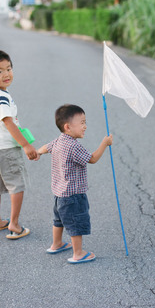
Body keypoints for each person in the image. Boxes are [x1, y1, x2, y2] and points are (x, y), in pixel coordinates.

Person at [38, 104, 113, 264]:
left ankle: (56, 244)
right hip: (73, 196)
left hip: (59, 194)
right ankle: (78, 253)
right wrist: (104, 143)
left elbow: (46, 147)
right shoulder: (73, 146)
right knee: (75, 223)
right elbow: (92, 159)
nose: (85, 126)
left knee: (58, 220)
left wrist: (36, 152)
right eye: (82, 123)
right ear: (68, 127)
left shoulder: (58, 141)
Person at [0, 50, 38, 240]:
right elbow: (9, 123)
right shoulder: (1, 97)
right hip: (5, 148)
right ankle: (14, 224)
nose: (6, 74)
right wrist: (26, 146)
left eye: (9, 68)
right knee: (16, 185)